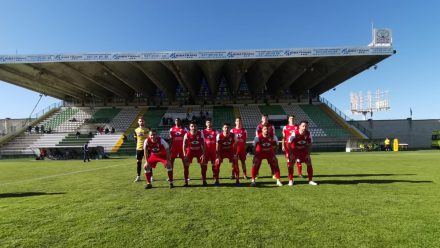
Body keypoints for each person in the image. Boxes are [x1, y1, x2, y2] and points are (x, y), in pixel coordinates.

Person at [288, 121, 318, 186]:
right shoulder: (294, 133)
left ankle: (310, 180)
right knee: (291, 165)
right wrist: (291, 153)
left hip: (303, 151)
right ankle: (290, 180)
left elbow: (310, 144)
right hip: (295, 151)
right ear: (299, 126)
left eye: (306, 126)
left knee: (309, 164)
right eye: (303, 126)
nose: (304, 127)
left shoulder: (308, 133)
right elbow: (289, 143)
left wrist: (308, 153)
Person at [215, 122, 240, 186]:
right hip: (221, 152)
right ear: (222, 128)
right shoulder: (219, 135)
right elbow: (217, 146)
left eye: (228, 128)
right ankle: (217, 180)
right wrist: (217, 156)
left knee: (236, 163)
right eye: (225, 127)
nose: (226, 129)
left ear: (230, 128)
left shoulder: (233, 135)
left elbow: (236, 144)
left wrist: (235, 154)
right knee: (217, 165)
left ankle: (237, 180)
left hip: (230, 152)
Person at [183, 121, 207, 186]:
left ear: (197, 127)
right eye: (192, 126)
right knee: (186, 166)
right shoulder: (187, 134)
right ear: (189, 127)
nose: (193, 128)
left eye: (195, 126)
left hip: (199, 151)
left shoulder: (200, 133)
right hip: (190, 151)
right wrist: (185, 155)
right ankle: (186, 181)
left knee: (203, 166)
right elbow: (184, 145)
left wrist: (203, 154)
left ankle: (204, 180)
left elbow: (203, 144)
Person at [255, 113, 276, 178]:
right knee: (258, 161)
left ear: (268, 119)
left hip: (269, 145)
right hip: (261, 146)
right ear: (261, 119)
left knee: (271, 161)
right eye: (264, 118)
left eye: (266, 118)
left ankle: (273, 173)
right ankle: (256, 173)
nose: (265, 119)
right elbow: (257, 136)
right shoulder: (259, 126)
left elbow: (273, 135)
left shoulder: (272, 126)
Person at [133, 117, 150, 182]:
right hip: (139, 148)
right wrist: (137, 147)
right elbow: (136, 139)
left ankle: (151, 176)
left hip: (146, 148)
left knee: (148, 162)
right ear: (138, 122)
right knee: (138, 162)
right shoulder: (136, 130)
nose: (141, 122)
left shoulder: (147, 130)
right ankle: (138, 176)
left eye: (142, 121)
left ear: (144, 122)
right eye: (140, 121)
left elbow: (149, 139)